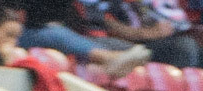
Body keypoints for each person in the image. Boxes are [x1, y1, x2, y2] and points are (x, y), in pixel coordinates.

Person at [80, 0, 203, 71]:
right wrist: (144, 33)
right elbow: (101, 21)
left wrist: (196, 32)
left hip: (174, 39)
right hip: (135, 43)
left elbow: (177, 19)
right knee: (185, 48)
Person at [15, 0, 150, 76]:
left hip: (66, 32)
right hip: (22, 34)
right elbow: (14, 17)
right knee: (56, 33)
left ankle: (115, 63)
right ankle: (108, 59)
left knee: (125, 47)